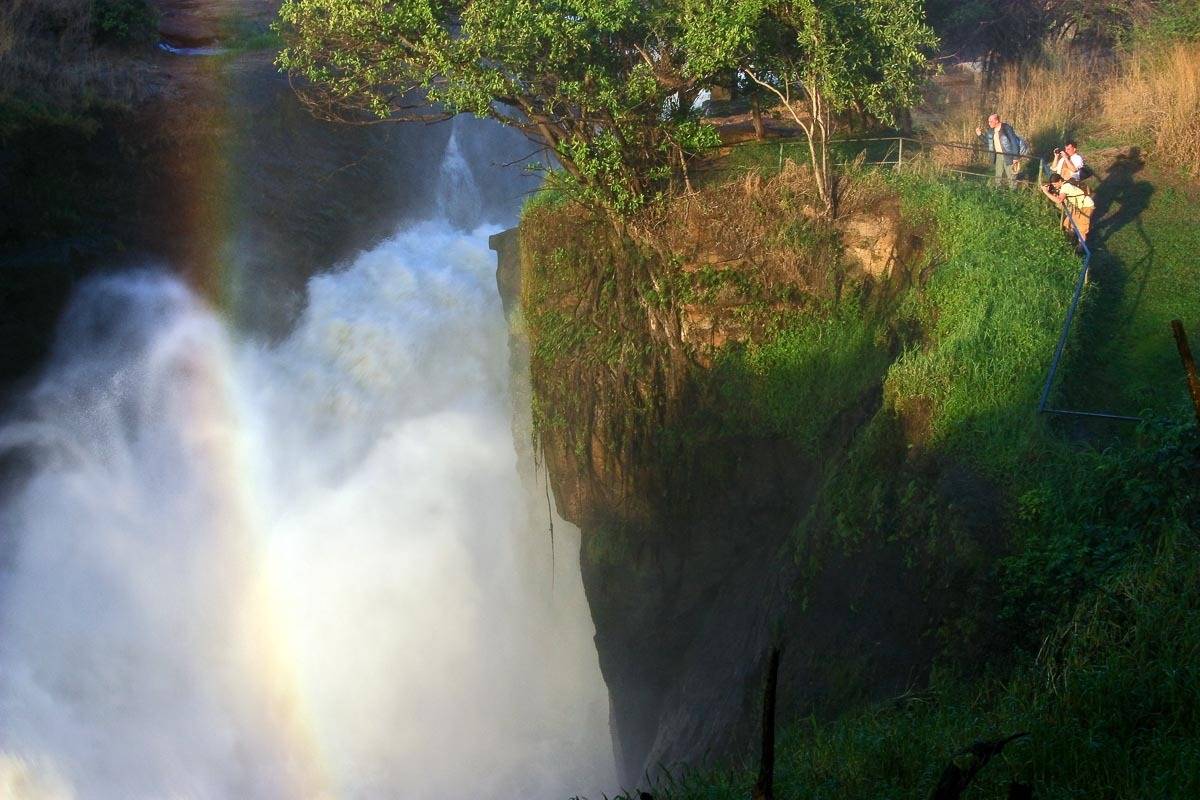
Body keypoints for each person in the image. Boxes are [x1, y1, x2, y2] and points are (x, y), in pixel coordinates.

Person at [1040, 172, 1095, 243]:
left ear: (1060, 181)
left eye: (1055, 184)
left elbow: (1059, 200)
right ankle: (1071, 241)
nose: (1054, 186)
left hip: (1086, 206)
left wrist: (1046, 192)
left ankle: (1081, 249)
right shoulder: (1066, 183)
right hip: (1078, 207)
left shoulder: (1065, 187)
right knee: (1067, 224)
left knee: (1081, 229)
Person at [976, 113, 1027, 188]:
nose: (989, 123)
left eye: (991, 121)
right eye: (988, 121)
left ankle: (1013, 192)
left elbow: (1013, 142)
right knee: (998, 175)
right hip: (998, 155)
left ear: (996, 121)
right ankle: (997, 190)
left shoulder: (1006, 128)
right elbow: (988, 142)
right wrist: (980, 135)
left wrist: (1015, 157)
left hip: (1008, 155)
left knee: (1011, 174)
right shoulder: (991, 130)